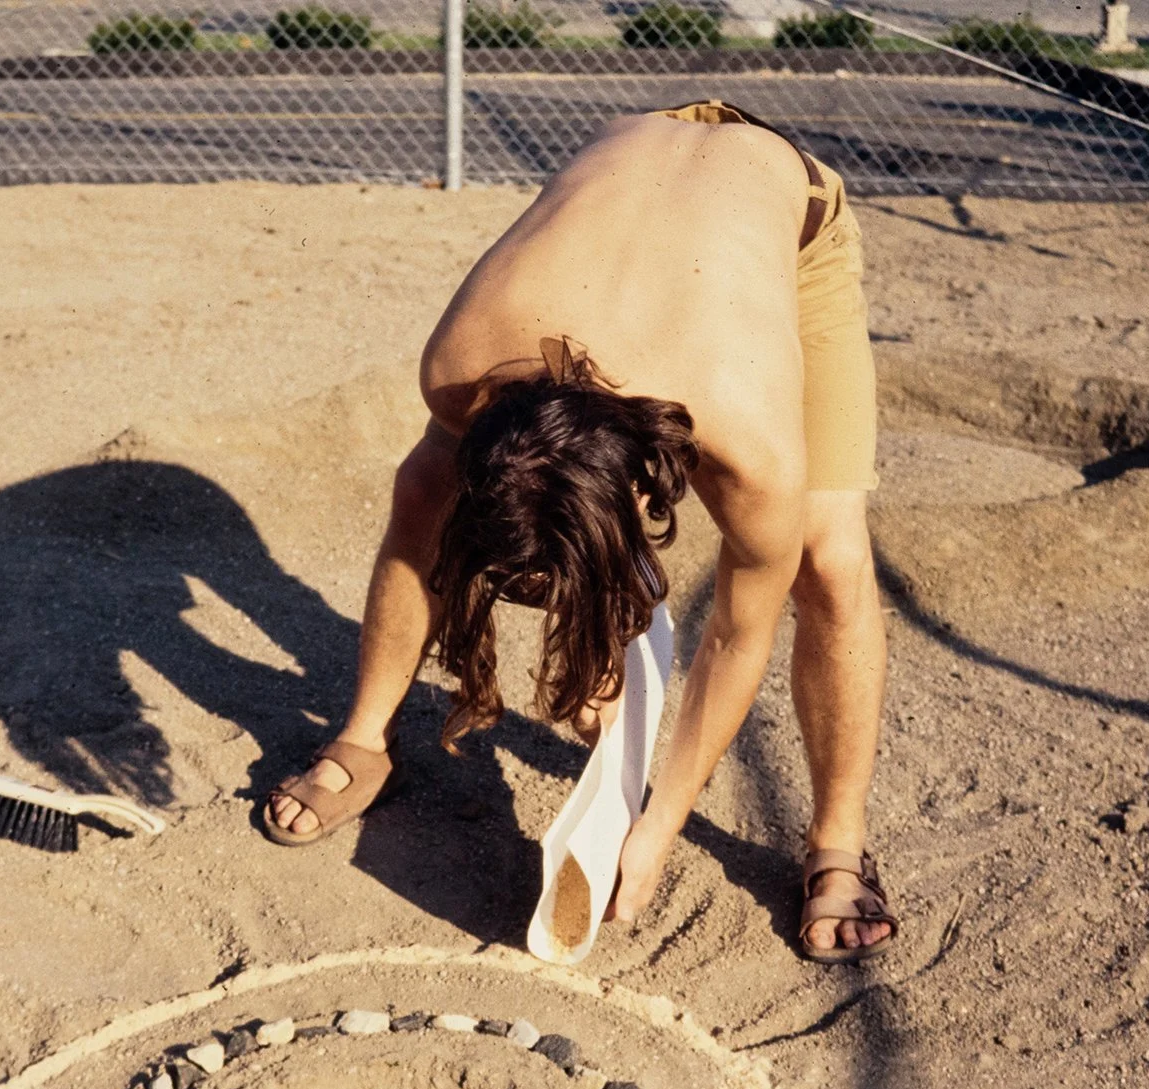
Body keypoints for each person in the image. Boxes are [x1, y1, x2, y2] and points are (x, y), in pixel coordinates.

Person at [261, 101, 896, 964]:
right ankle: (364, 738)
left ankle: (837, 842)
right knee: (424, 492)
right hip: (636, 166)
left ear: (642, 492)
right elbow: (464, 515)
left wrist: (660, 819)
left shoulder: (749, 443)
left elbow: (739, 634)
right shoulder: (462, 365)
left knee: (827, 562)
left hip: (788, 218)